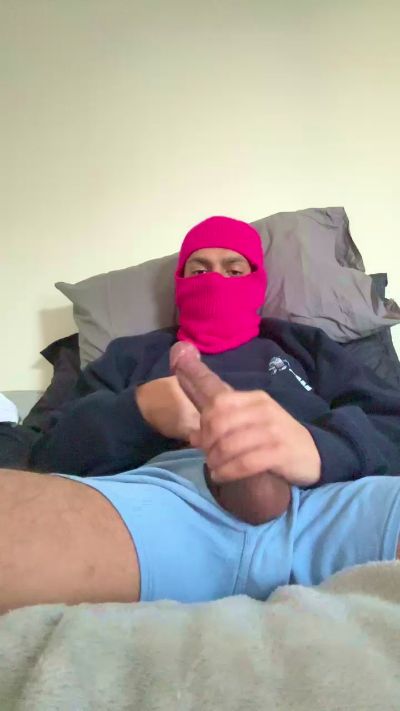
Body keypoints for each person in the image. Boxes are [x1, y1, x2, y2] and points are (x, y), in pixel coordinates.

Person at [1, 215, 400, 615]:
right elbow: (47, 452)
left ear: (257, 282)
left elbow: (390, 418)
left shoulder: (304, 345)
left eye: (234, 270)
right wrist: (140, 409)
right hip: (158, 507)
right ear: (180, 283)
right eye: (199, 270)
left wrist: (319, 448)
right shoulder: (130, 355)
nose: (214, 281)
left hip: (322, 502)